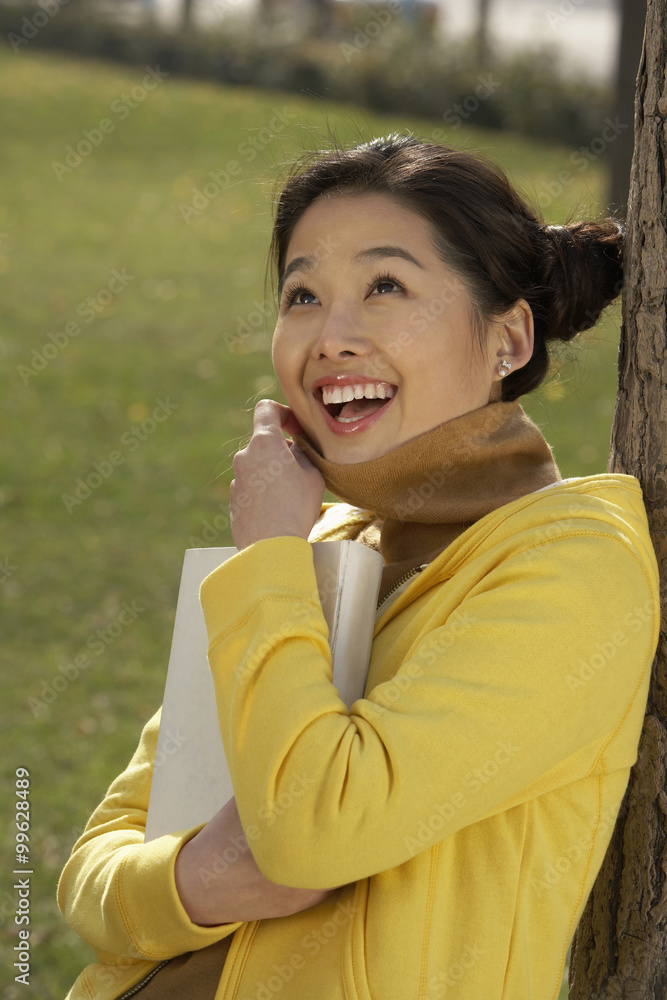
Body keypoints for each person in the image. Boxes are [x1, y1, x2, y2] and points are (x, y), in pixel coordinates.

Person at [58, 133, 660, 1000]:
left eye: (386, 287)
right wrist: (203, 880)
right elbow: (94, 867)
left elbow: (312, 835)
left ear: (509, 337)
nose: (331, 336)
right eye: (302, 294)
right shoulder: (322, 537)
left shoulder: (572, 565)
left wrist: (266, 554)